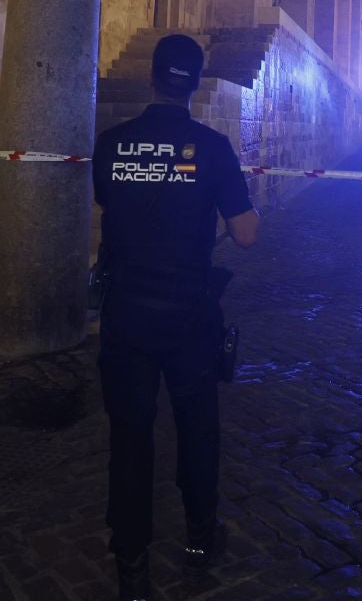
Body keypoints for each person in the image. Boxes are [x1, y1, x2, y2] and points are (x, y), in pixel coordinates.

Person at [92, 34, 259, 601]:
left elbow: (110, 206)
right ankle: (198, 538)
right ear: (196, 82)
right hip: (189, 312)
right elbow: (246, 233)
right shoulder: (211, 147)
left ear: (153, 77)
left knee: (130, 435)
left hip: (127, 312)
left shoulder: (112, 144)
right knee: (197, 429)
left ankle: (132, 564)